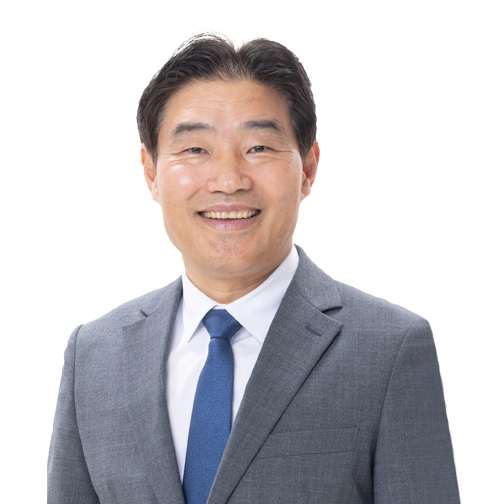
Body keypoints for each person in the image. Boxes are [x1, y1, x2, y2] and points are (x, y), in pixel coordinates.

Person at [48, 31, 462, 504]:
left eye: (259, 148)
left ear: (308, 169)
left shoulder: (390, 349)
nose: (228, 180)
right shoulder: (94, 356)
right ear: (151, 173)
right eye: (195, 149)